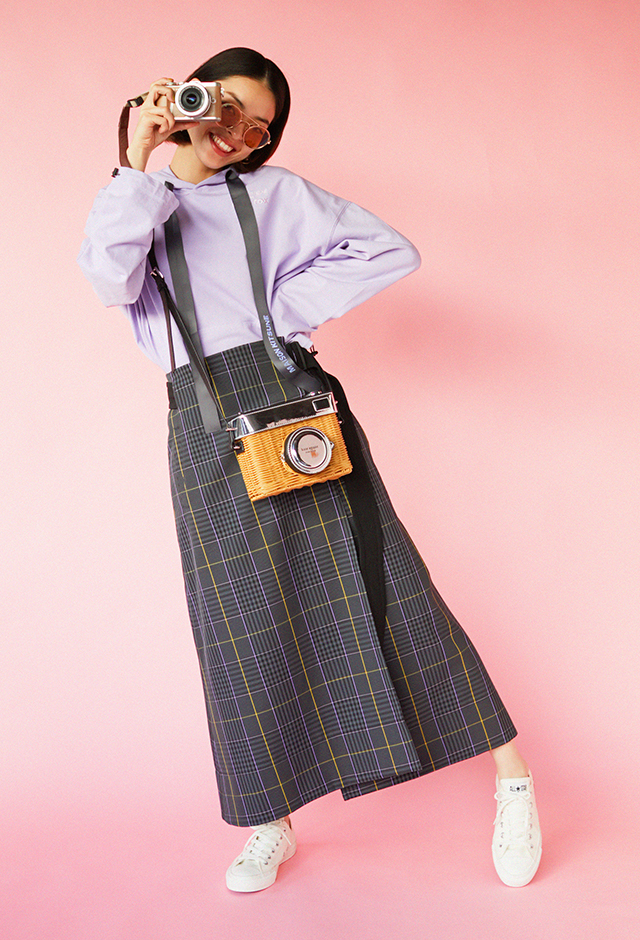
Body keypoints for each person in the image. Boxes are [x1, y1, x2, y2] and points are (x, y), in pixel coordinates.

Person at [78, 47, 542, 893]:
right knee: (239, 624)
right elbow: (109, 278)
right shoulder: (138, 198)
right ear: (191, 97)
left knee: (391, 589)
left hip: (293, 402)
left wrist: (276, 313)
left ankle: (513, 779)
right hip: (201, 423)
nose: (237, 134)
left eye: (259, 127)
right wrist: (137, 160)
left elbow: (390, 250)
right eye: (226, 109)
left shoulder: (275, 195)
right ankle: (271, 821)